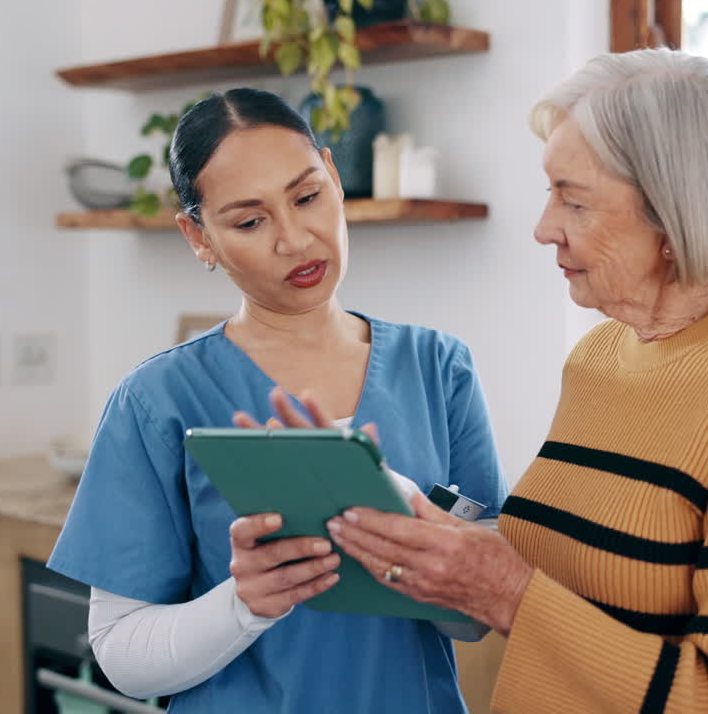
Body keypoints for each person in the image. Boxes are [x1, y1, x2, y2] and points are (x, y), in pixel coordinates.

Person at [271, 49, 708, 713]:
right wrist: (390, 505)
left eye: (575, 201)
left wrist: (505, 592)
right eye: (551, 193)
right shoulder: (604, 351)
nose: (544, 229)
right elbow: (575, 570)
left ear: (676, 213)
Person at [47, 87, 507, 713]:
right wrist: (245, 602)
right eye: (249, 221)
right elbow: (122, 654)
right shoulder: (158, 400)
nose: (295, 239)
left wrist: (419, 536)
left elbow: (478, 618)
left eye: (307, 196)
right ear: (198, 236)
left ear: (335, 179)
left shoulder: (438, 368)